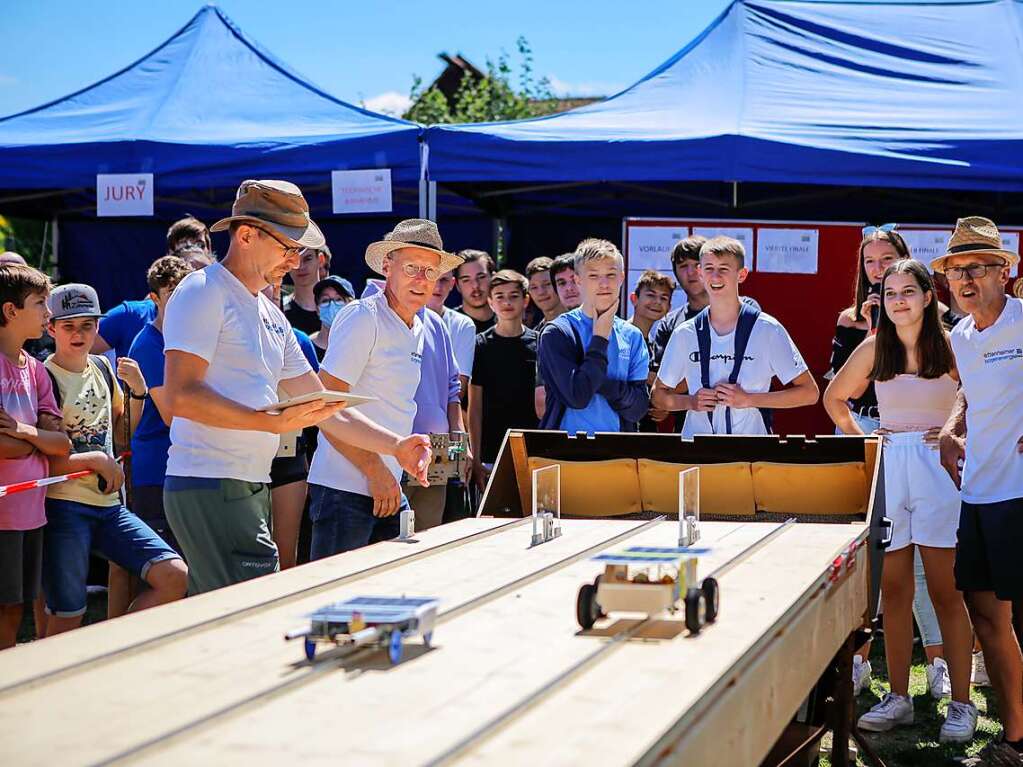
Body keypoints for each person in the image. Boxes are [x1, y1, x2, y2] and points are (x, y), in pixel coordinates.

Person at [161, 180, 430, 594]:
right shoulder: (202, 290)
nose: (295, 260)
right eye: (288, 247)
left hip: (246, 483)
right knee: (244, 620)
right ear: (247, 235)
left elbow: (326, 405)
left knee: (235, 620)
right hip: (209, 479)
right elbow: (181, 395)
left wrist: (395, 445)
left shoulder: (270, 314)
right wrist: (266, 423)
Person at [824, 259, 976, 743]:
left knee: (946, 589)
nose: (899, 301)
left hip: (938, 467)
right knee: (893, 590)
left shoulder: (950, 343)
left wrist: (954, 429)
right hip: (892, 466)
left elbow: (982, 391)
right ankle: (899, 698)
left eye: (908, 291)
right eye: (890, 293)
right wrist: (867, 444)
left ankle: (962, 703)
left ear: (929, 296)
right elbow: (835, 399)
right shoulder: (876, 346)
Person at [307, 219, 462, 555]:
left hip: (386, 486)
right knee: (332, 602)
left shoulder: (417, 324)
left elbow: (393, 407)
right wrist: (376, 470)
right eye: (411, 267)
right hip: (345, 489)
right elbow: (324, 408)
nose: (421, 279)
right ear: (387, 267)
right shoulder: (363, 317)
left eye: (429, 271)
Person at [42, 283, 187, 635]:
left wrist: (137, 392)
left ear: (98, 327)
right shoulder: (42, 376)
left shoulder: (103, 370)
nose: (79, 333)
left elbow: (123, 433)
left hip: (109, 505)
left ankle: (111, 646)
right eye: (69, 326)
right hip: (63, 507)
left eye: (87, 325)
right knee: (68, 613)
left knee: (174, 575)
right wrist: (96, 461)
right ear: (51, 329)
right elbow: (44, 461)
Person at [936, 217, 1023, 765]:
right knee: (985, 614)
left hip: (1019, 493)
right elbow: (970, 388)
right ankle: (1016, 737)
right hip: (978, 493)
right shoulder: (959, 336)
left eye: (975, 268)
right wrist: (951, 426)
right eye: (955, 271)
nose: (964, 280)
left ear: (1002, 273)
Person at [651, 237, 818, 436]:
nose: (715, 277)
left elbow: (809, 392)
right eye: (709, 269)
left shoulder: (767, 329)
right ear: (701, 274)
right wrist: (690, 402)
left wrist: (749, 399)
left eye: (724, 269)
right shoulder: (684, 333)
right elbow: (658, 395)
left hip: (751, 454)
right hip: (697, 452)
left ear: (742, 275)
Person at [0, 265, 69, 650]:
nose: (48, 313)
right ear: (11, 311)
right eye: (40, 303)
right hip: (3, 516)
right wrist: (39, 441)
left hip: (31, 513)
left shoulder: (38, 371)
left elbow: (62, 444)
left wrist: (24, 433)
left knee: (15, 609)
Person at [538, 239, 649, 433]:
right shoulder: (557, 332)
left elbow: (638, 409)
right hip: (566, 454)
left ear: (622, 277)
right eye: (594, 276)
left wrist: (599, 382)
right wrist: (600, 339)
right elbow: (577, 397)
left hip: (619, 455)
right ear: (578, 280)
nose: (604, 283)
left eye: (611, 275)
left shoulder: (632, 335)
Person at [126, 256, 194, 554]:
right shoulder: (148, 344)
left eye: (184, 293)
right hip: (157, 472)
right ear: (154, 298)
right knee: (167, 575)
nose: (180, 301)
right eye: (171, 293)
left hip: (185, 468)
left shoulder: (189, 338)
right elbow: (171, 414)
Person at [93, 216, 214, 359]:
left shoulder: (223, 318)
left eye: (200, 244)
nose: (193, 250)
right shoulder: (132, 315)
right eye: (185, 246)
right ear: (171, 258)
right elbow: (80, 350)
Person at [405, 281, 470, 531]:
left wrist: (460, 442)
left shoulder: (435, 322)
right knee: (385, 543)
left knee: (426, 537)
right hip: (389, 450)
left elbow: (453, 386)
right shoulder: (370, 316)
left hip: (437, 450)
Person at [469, 270, 538, 491]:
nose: (506, 302)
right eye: (499, 296)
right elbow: (475, 406)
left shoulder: (540, 343)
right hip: (491, 452)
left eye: (513, 296)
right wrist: (476, 457)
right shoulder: (480, 345)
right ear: (490, 302)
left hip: (532, 449)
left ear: (526, 300)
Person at [650, 235, 761, 371]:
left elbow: (757, 363)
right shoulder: (669, 324)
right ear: (675, 273)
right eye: (683, 266)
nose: (691, 272)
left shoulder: (746, 308)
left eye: (697, 264)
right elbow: (662, 382)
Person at [534, 253, 582, 421]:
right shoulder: (550, 334)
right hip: (562, 435)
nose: (569, 288)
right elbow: (541, 405)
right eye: (561, 283)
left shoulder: (621, 331)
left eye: (574, 280)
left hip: (610, 435)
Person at [628, 269, 676, 431]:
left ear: (668, 308)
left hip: (645, 431)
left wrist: (662, 407)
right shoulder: (619, 335)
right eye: (650, 295)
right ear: (634, 299)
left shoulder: (655, 345)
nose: (657, 302)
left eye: (664, 298)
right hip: (619, 429)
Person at [427, 269, 476, 401]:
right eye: (432, 278)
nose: (438, 287)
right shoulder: (401, 317)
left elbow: (458, 389)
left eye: (444, 280)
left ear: (452, 284)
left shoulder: (463, 325)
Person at [283, 245, 332, 335]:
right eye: (295, 260)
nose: (301, 266)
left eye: (307, 259)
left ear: (320, 260)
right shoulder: (280, 310)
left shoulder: (336, 309)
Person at [309, 275, 355, 362]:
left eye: (338, 299)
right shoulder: (307, 347)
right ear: (318, 309)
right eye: (325, 300)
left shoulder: (360, 345)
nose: (332, 305)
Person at [454, 249, 496, 333]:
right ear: (457, 285)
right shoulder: (447, 325)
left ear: (493, 278)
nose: (475, 285)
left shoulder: (508, 322)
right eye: (466, 280)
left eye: (481, 277)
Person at [524, 257, 563, 329]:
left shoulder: (582, 324)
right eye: (534, 287)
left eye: (547, 284)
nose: (541, 292)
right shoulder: (535, 335)